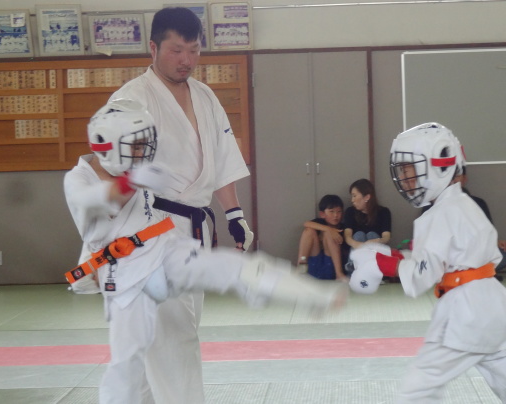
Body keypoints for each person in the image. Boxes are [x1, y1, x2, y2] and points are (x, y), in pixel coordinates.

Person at [64, 100, 346, 404]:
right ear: (109, 146)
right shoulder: (78, 178)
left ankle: (312, 295)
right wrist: (128, 184)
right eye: (136, 145)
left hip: (166, 252)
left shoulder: (135, 168)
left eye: (145, 143)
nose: (143, 151)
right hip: (127, 279)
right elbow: (92, 201)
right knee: (128, 366)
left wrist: (232, 214)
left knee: (236, 268)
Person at [349, 123, 506, 403]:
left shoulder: (439, 214)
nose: (404, 179)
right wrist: (397, 256)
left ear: (438, 167)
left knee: (418, 390)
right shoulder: (463, 204)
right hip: (494, 305)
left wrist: (383, 264)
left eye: (409, 170)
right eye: (402, 171)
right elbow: (446, 258)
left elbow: (422, 276)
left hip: (466, 313)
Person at [107, 8, 252, 404]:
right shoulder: (131, 99)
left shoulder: (205, 96)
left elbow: (221, 160)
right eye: (176, 50)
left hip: (194, 229)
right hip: (151, 228)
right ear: (153, 48)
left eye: (194, 50)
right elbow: (113, 171)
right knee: (176, 338)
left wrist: (234, 215)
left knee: (159, 338)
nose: (186, 59)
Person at [343, 179, 392, 276]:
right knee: (359, 235)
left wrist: (377, 241)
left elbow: (386, 237)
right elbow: (347, 236)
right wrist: (358, 245)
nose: (352, 200)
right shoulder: (350, 212)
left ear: (367, 197)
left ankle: (375, 270)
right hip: (357, 247)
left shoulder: (384, 212)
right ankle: (353, 266)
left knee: (372, 235)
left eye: (354, 196)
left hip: (374, 249)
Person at [297, 194, 348, 281]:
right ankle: (300, 268)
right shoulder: (320, 222)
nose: (336, 215)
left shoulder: (344, 228)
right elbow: (306, 223)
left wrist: (330, 232)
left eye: (339, 211)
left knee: (329, 234)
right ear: (322, 214)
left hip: (331, 268)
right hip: (314, 266)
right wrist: (329, 229)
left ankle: (339, 274)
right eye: (331, 211)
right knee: (309, 231)